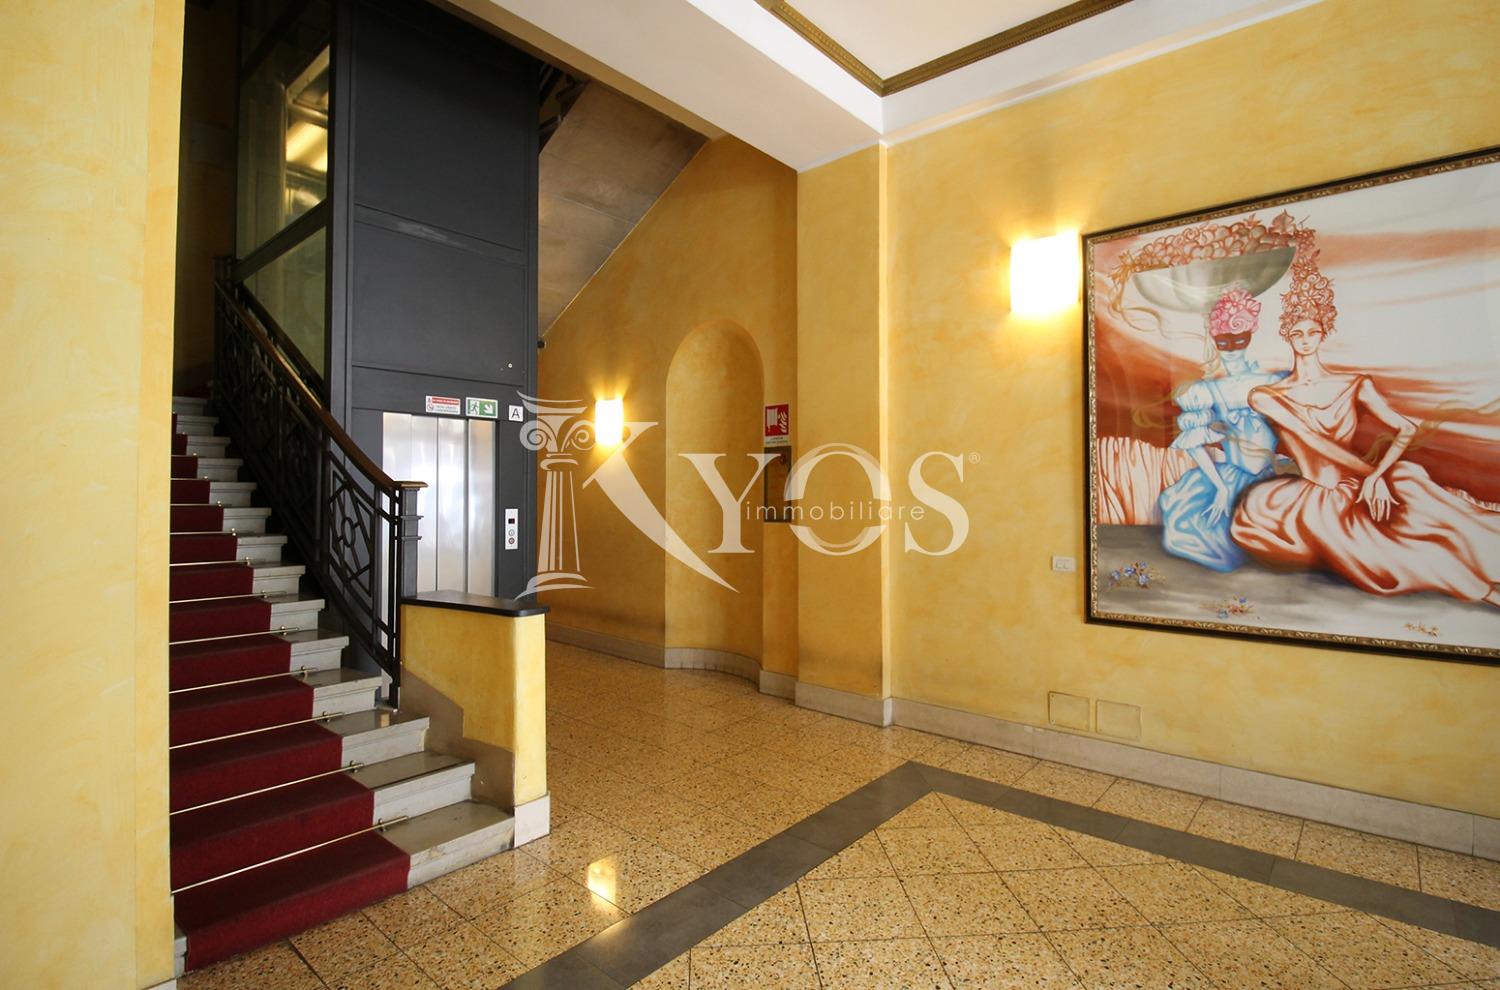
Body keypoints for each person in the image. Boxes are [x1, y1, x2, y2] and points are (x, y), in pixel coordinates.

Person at [1230, 291, 1500, 606]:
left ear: (1323, 334)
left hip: (1361, 483)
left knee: (1428, 503)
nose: (1305, 340)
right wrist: (1374, 476)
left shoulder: (1355, 384)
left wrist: (1377, 476)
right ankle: (1485, 591)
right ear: (1287, 336)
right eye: (1297, 333)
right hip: (1320, 495)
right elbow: (1315, 441)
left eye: (1313, 332)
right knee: (1386, 553)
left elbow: (1406, 428)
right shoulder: (1267, 396)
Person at [1158, 287, 1286, 571]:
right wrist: (1220, 487)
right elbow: (1193, 443)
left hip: (1271, 475)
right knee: (1205, 533)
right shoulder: (1209, 390)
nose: (1232, 351)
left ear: (1250, 337)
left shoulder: (1272, 381)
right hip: (1229, 476)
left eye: (1239, 340)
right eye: (1224, 342)